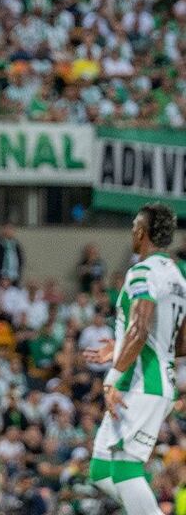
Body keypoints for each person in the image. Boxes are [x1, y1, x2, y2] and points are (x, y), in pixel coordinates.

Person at [83, 202, 186, 515]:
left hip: (141, 384)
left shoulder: (142, 272)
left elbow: (140, 329)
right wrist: (119, 347)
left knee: (127, 468)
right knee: (101, 470)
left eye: (133, 228)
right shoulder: (179, 278)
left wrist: (112, 376)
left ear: (141, 232)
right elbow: (179, 342)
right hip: (158, 380)